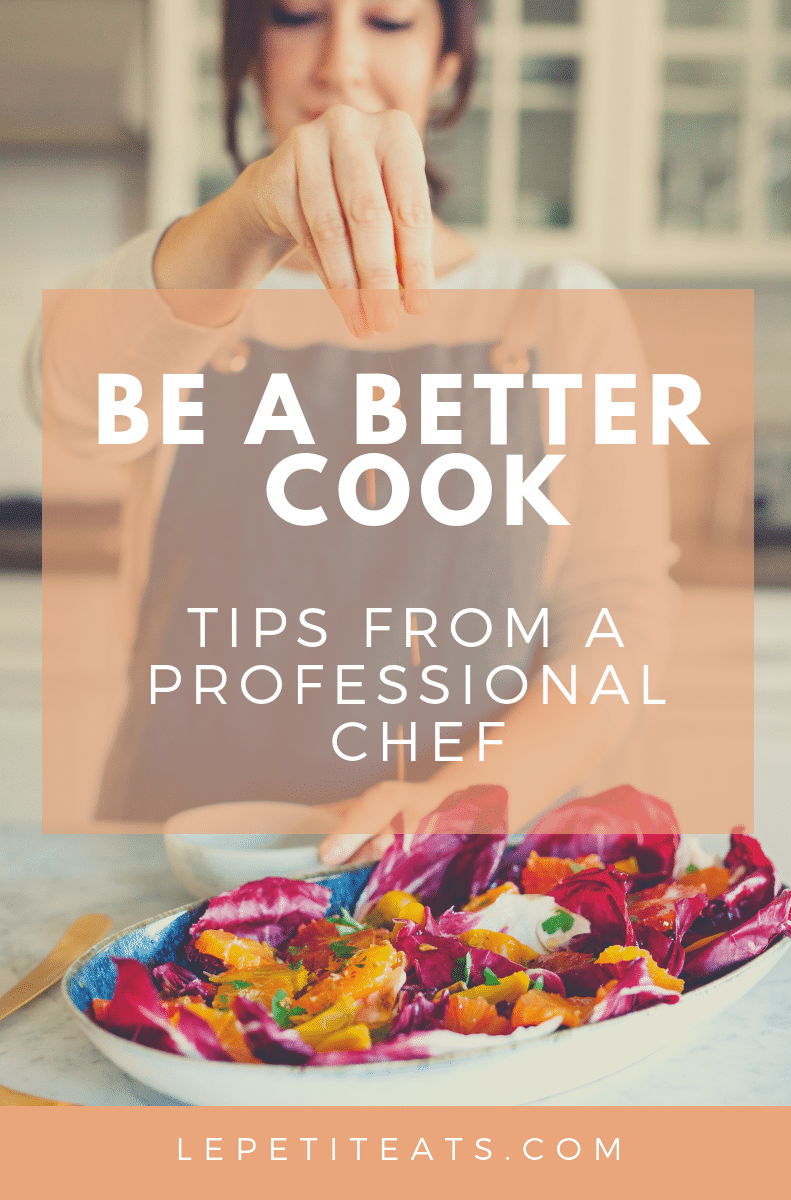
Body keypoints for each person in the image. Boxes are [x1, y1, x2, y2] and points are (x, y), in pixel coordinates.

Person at [31, 0, 675, 863]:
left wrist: (462, 801)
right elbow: (68, 397)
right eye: (298, 16)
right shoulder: (184, 280)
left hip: (451, 875)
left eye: (389, 21)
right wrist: (251, 211)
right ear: (249, 54)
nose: (339, 61)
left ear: (450, 61)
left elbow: (619, 614)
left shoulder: (558, 305)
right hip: (177, 857)